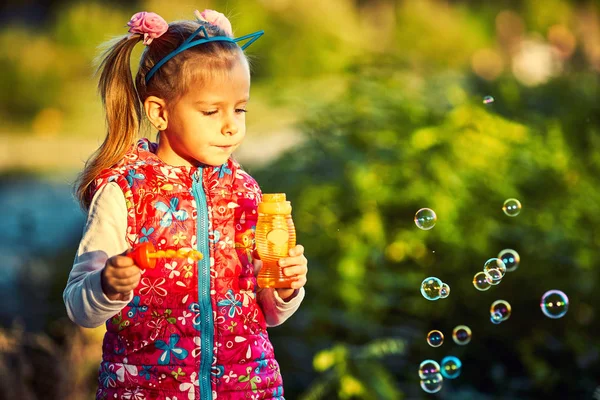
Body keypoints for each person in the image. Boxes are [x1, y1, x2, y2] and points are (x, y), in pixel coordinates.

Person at [63, 9, 308, 400]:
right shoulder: (125, 192)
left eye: (239, 108)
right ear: (159, 112)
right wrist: (107, 284)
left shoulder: (246, 191)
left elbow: (269, 313)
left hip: (248, 388)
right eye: (212, 111)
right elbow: (80, 308)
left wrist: (284, 287)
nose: (231, 125)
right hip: (147, 390)